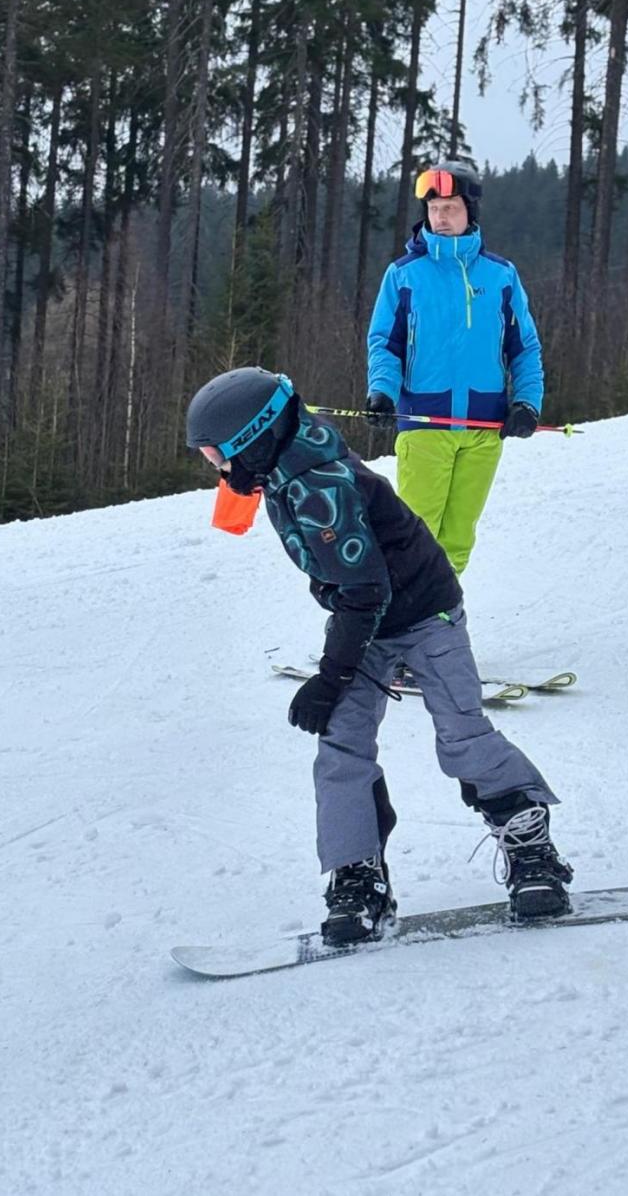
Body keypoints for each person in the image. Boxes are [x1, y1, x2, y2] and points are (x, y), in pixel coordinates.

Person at [186, 366, 573, 947]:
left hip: (423, 614)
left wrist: (329, 677)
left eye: (217, 454)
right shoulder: (284, 467)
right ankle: (358, 876)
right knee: (341, 742)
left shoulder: (320, 484)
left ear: (254, 437)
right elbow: (353, 589)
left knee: (461, 733)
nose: (217, 468)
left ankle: (530, 846)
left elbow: (367, 591)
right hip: (367, 618)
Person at [364, 161, 543, 576]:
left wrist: (527, 403)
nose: (441, 217)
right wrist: (382, 392)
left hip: (484, 429)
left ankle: (443, 625)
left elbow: (524, 347)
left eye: (450, 208)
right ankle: (401, 632)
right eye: (435, 208)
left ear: (470, 212)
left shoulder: (500, 276)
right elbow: (384, 344)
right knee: (415, 537)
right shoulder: (405, 276)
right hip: (425, 424)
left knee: (459, 539)